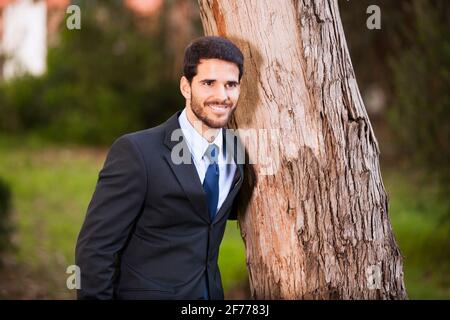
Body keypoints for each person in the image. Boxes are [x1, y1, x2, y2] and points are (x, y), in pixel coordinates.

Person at [75, 36, 245, 300]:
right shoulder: (137, 153)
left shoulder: (237, 151)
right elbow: (96, 249)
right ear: (186, 87)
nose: (221, 96)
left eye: (231, 84)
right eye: (208, 83)